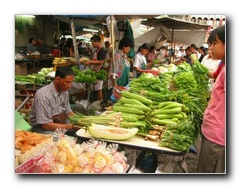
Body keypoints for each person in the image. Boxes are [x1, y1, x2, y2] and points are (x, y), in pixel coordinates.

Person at [197, 25, 225, 173]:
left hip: (219, 138)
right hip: (212, 132)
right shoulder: (224, 66)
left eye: (215, 43)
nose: (211, 48)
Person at [29, 66, 79, 134]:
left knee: (78, 133)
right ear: (57, 79)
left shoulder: (65, 92)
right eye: (67, 82)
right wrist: (72, 126)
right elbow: (45, 125)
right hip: (42, 127)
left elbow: (69, 112)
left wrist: (81, 121)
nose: (69, 86)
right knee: (55, 139)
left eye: (71, 82)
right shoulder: (44, 96)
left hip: (58, 121)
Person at [84, 35, 106, 101]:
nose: (92, 45)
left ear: (97, 41)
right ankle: (97, 102)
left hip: (99, 71)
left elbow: (101, 62)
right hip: (95, 71)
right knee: (96, 89)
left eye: (93, 43)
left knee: (99, 89)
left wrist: (91, 62)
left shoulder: (102, 50)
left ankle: (99, 103)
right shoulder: (97, 50)